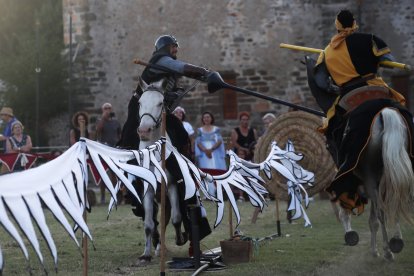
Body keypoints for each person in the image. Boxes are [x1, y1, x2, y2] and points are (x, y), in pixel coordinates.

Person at [118, 34, 213, 255]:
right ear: (165, 47)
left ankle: (183, 171)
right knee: (130, 149)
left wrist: (174, 94)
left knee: (179, 133)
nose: (175, 50)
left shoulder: (164, 69)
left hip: (158, 111)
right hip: (141, 112)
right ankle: (129, 185)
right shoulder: (160, 60)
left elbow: (167, 91)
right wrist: (204, 73)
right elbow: (182, 67)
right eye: (173, 46)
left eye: (176, 47)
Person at [314, 10, 411, 210]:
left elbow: (321, 82)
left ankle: (346, 175)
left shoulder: (326, 53)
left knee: (333, 130)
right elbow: (389, 62)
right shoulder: (372, 40)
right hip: (377, 89)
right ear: (355, 23)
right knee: (404, 115)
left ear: (336, 25)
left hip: (349, 95)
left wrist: (333, 86)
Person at [195, 112, 226, 196]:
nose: (206, 119)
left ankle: (218, 192)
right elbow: (198, 142)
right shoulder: (199, 130)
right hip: (204, 154)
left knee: (216, 171)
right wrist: (205, 151)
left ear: (211, 118)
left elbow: (219, 141)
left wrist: (211, 150)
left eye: (208, 117)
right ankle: (208, 193)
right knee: (206, 172)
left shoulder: (216, 129)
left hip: (215, 153)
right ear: (202, 119)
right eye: (205, 117)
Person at [96, 103, 122, 204]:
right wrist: (103, 118)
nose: (107, 110)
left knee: (114, 174)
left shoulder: (116, 122)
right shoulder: (100, 121)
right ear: (102, 110)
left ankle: (115, 195)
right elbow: (98, 131)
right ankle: (102, 197)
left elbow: (120, 135)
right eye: (105, 108)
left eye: (109, 108)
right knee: (103, 174)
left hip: (114, 150)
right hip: (103, 150)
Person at [231, 111, 258, 201]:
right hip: (240, 155)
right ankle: (241, 195)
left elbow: (256, 143)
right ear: (240, 121)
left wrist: (251, 150)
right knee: (241, 174)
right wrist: (242, 149)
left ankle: (253, 194)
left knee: (253, 174)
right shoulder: (235, 130)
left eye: (246, 120)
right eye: (243, 120)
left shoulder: (252, 131)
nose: (245, 121)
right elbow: (234, 143)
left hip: (251, 155)